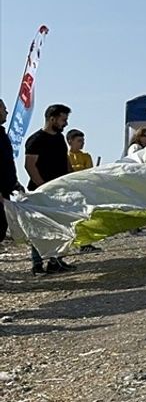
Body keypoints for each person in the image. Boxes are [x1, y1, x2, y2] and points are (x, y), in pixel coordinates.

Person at [24, 104, 77, 274]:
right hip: (41, 192)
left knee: (60, 227)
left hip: (60, 191)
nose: (65, 124)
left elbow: (65, 161)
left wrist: (72, 178)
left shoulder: (59, 139)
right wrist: (43, 187)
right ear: (52, 119)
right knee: (39, 229)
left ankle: (56, 262)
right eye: (63, 120)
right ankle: (37, 264)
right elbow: (30, 166)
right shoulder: (36, 140)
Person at [0, 99, 23, 245]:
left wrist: (14, 183)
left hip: (5, 189)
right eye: (3, 109)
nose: (6, 112)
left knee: (2, 226)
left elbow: (6, 164)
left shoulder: (2, 135)